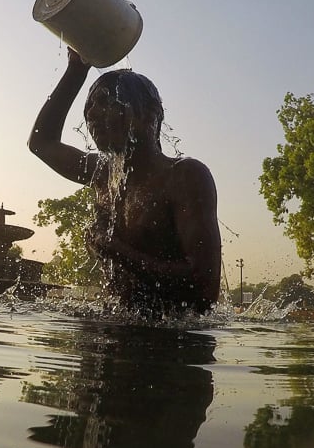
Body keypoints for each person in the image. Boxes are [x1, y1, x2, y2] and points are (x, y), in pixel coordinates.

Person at [28, 48, 221, 315]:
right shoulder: (102, 173)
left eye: (106, 102)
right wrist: (76, 70)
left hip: (172, 341)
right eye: (90, 106)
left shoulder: (185, 176)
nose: (92, 114)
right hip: (117, 324)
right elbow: (41, 142)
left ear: (149, 115)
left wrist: (116, 251)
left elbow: (204, 290)